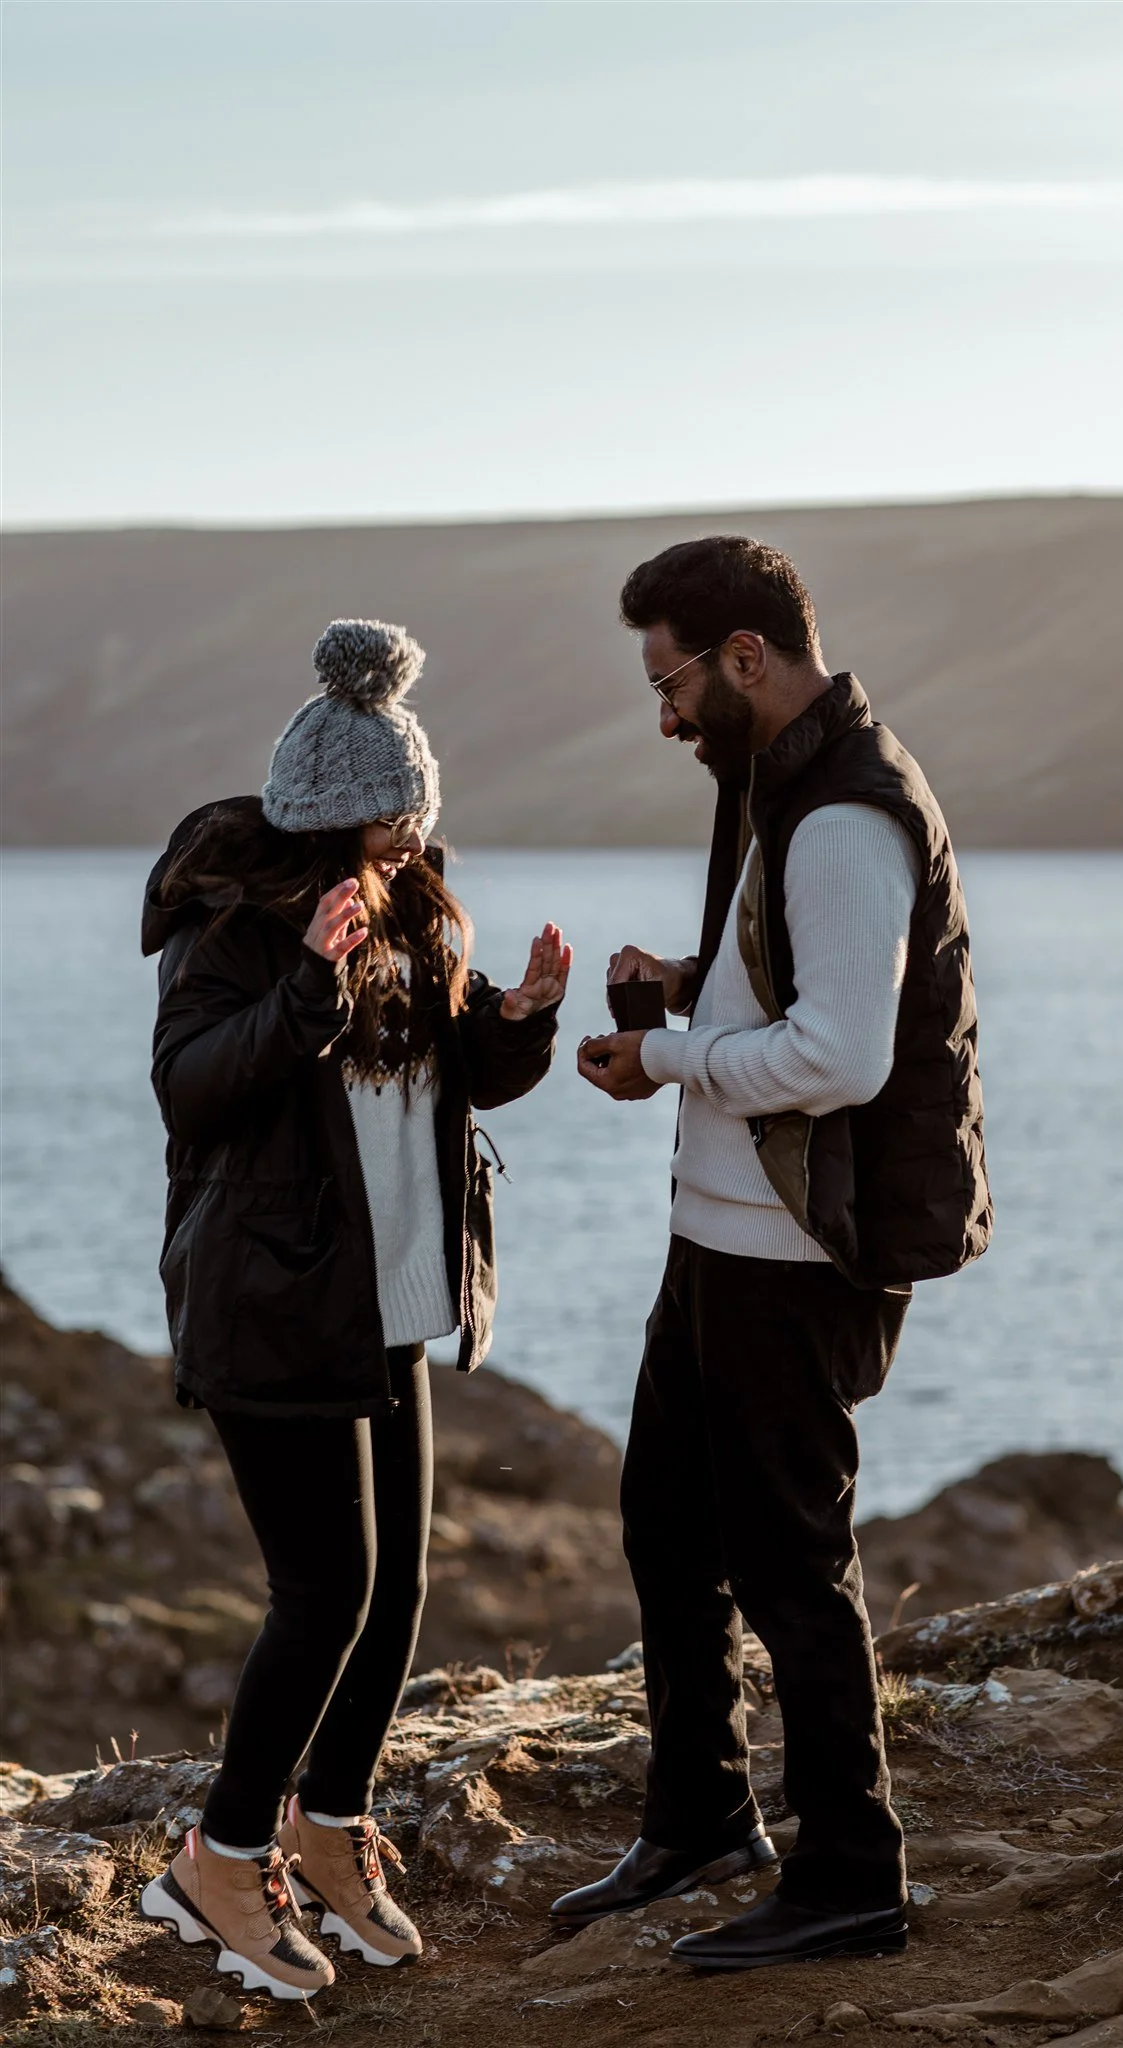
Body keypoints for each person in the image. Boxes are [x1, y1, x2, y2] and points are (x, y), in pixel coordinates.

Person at [563, 537, 990, 1970]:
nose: (665, 715)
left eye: (671, 681)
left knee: (787, 1558)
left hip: (800, 1252)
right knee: (666, 1525)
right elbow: (787, 987)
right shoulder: (777, 784)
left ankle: (853, 1874)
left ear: (745, 656)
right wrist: (685, 991)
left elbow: (843, 1055)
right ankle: (699, 1815)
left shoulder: (849, 814)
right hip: (724, 1232)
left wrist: (670, 1051)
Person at [137, 619, 570, 2001]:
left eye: (412, 820)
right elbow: (193, 1085)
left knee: (394, 1597)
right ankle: (217, 1858)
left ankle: (327, 1829)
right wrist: (309, 988)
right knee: (321, 1594)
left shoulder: (414, 907)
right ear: (334, 819)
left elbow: (454, 1083)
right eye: (388, 823)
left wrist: (523, 1020)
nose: (405, 842)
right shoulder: (235, 929)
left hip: (388, 1299)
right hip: (271, 1302)